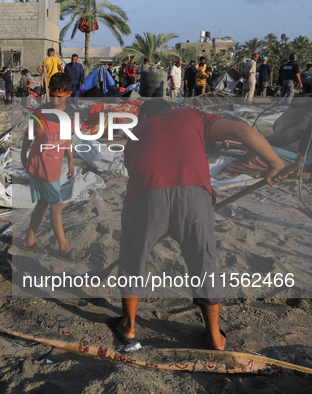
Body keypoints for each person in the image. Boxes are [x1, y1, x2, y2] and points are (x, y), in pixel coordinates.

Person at [107, 99, 286, 350]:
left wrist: (157, 225)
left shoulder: (137, 131)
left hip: (146, 194)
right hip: (194, 195)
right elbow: (243, 131)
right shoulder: (193, 116)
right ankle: (214, 336)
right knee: (203, 262)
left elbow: (134, 169)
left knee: (132, 257)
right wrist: (275, 163)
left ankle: (128, 326)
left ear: (144, 115)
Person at [20, 73, 85, 260]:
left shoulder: (70, 113)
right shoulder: (39, 112)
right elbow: (28, 136)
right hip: (40, 164)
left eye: (60, 96)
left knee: (43, 203)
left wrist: (70, 160)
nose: (55, 100)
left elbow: (66, 138)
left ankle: (29, 240)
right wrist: (24, 154)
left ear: (68, 94)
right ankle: (63, 247)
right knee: (56, 204)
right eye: (52, 94)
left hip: (55, 164)